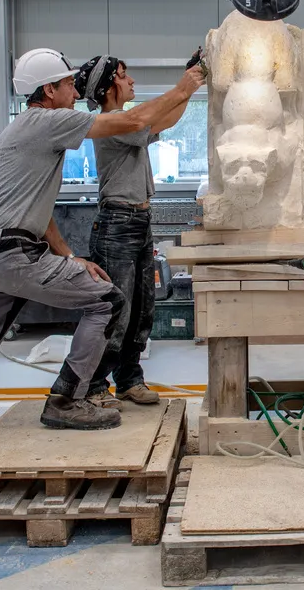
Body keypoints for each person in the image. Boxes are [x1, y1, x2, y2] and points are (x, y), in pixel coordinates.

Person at [0, 48, 205, 479]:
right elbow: (134, 120)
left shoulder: (23, 130)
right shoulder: (46, 120)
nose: (76, 93)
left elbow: (40, 213)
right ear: (48, 90)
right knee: (108, 300)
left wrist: (70, 257)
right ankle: (67, 399)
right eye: (69, 85)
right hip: (15, 256)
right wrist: (187, 85)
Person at [81, 57, 191, 408]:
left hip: (138, 221)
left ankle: (128, 380)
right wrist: (184, 85)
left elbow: (166, 119)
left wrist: (190, 87)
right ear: (107, 87)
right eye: (123, 76)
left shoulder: (129, 123)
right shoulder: (111, 122)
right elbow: (149, 117)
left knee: (142, 309)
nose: (131, 81)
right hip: (117, 223)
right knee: (116, 310)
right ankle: (94, 385)